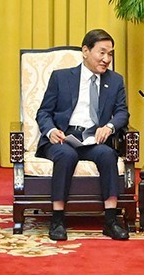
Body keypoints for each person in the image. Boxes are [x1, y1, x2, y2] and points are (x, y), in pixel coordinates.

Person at [34, 29, 131, 242]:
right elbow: (43, 112)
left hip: (92, 138)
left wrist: (110, 127)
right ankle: (58, 219)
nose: (106, 59)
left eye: (110, 54)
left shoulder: (115, 81)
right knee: (66, 156)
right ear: (85, 51)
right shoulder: (61, 77)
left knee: (107, 155)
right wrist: (51, 131)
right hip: (62, 137)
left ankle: (110, 220)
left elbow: (122, 112)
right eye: (102, 53)